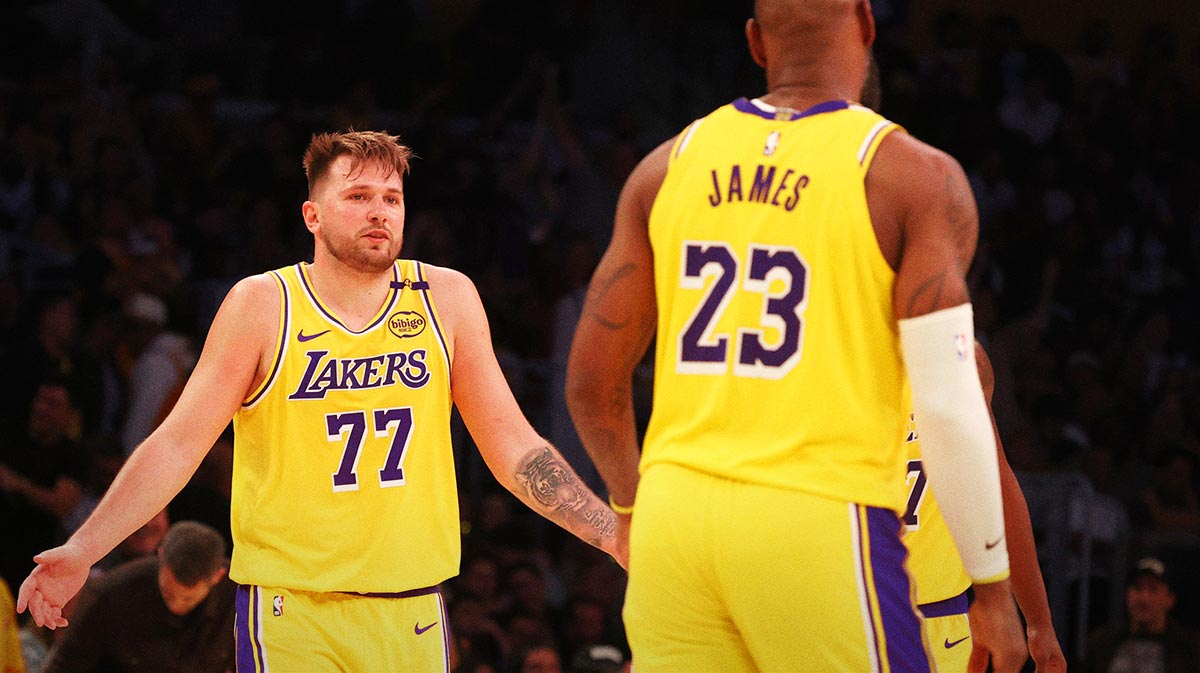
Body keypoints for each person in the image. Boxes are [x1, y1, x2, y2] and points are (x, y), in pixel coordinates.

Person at [18, 130, 622, 673]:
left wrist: (609, 532)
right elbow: (178, 443)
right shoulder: (262, 304)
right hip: (292, 610)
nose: (379, 211)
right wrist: (82, 549)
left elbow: (515, 447)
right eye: (358, 196)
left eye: (392, 198)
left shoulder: (448, 298)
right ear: (312, 214)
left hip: (412, 608)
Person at [565, 1, 1026, 671]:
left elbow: (589, 384)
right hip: (814, 517)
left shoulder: (666, 167)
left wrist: (633, 506)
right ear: (866, 25)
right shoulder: (911, 176)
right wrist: (991, 586)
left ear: (755, 42)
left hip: (675, 520)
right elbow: (950, 404)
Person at [903, 341, 1067, 672]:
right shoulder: (811, 357)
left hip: (938, 620)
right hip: (829, 607)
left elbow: (993, 486)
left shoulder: (962, 358)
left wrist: (1038, 622)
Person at [39, 520, 235, 673]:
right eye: (168, 593)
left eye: (188, 599)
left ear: (218, 576)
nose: (176, 606)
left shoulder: (241, 599)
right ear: (160, 556)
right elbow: (64, 665)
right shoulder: (111, 593)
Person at [1083, 557, 1200, 673]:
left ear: (1170, 599)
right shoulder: (1101, 643)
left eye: (1153, 589)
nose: (1144, 598)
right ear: (1127, 594)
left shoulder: (1189, 649)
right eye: (1137, 588)